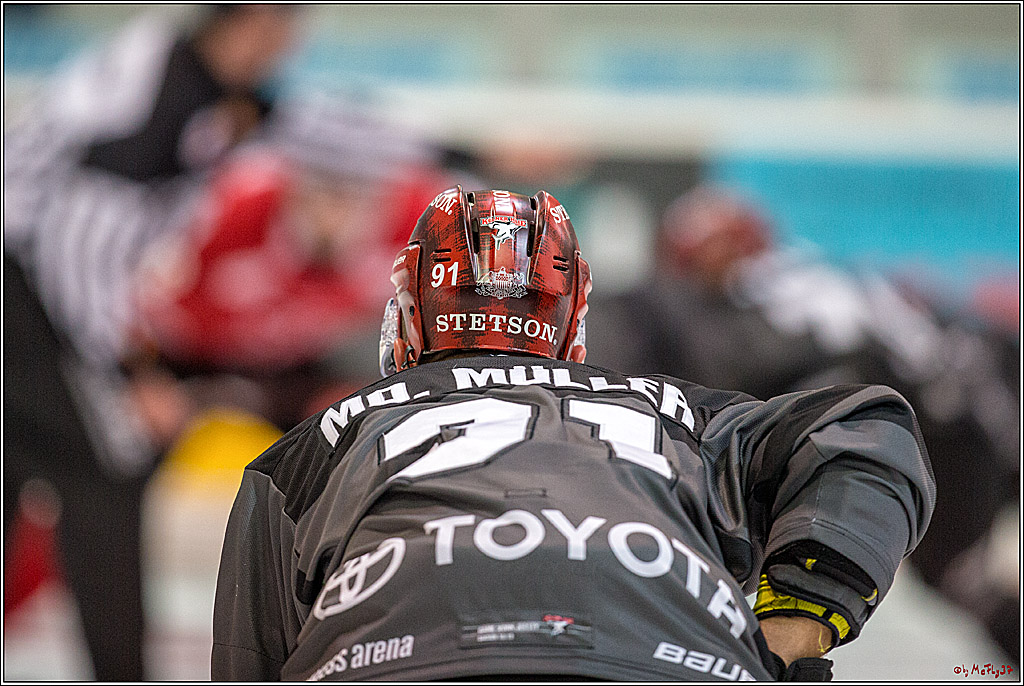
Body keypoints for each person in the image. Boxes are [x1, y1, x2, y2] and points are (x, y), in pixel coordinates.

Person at [211, 187, 935, 681]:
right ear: (574, 320)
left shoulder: (314, 446)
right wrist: (795, 626)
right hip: (673, 658)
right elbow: (867, 429)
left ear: (407, 312)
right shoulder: (679, 412)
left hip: (392, 658)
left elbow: (252, 661)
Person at [585, 183, 1019, 662]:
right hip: (959, 412)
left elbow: (811, 389)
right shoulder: (829, 273)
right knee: (965, 584)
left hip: (920, 426)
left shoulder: (739, 301)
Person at [3, 5, 299, 679]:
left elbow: (302, 124)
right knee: (110, 472)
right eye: (282, 30)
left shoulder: (189, 71)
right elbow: (72, 253)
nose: (286, 48)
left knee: (20, 468)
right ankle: (121, 671)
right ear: (249, 22)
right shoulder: (154, 104)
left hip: (32, 286)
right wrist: (130, 372)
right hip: (21, 288)